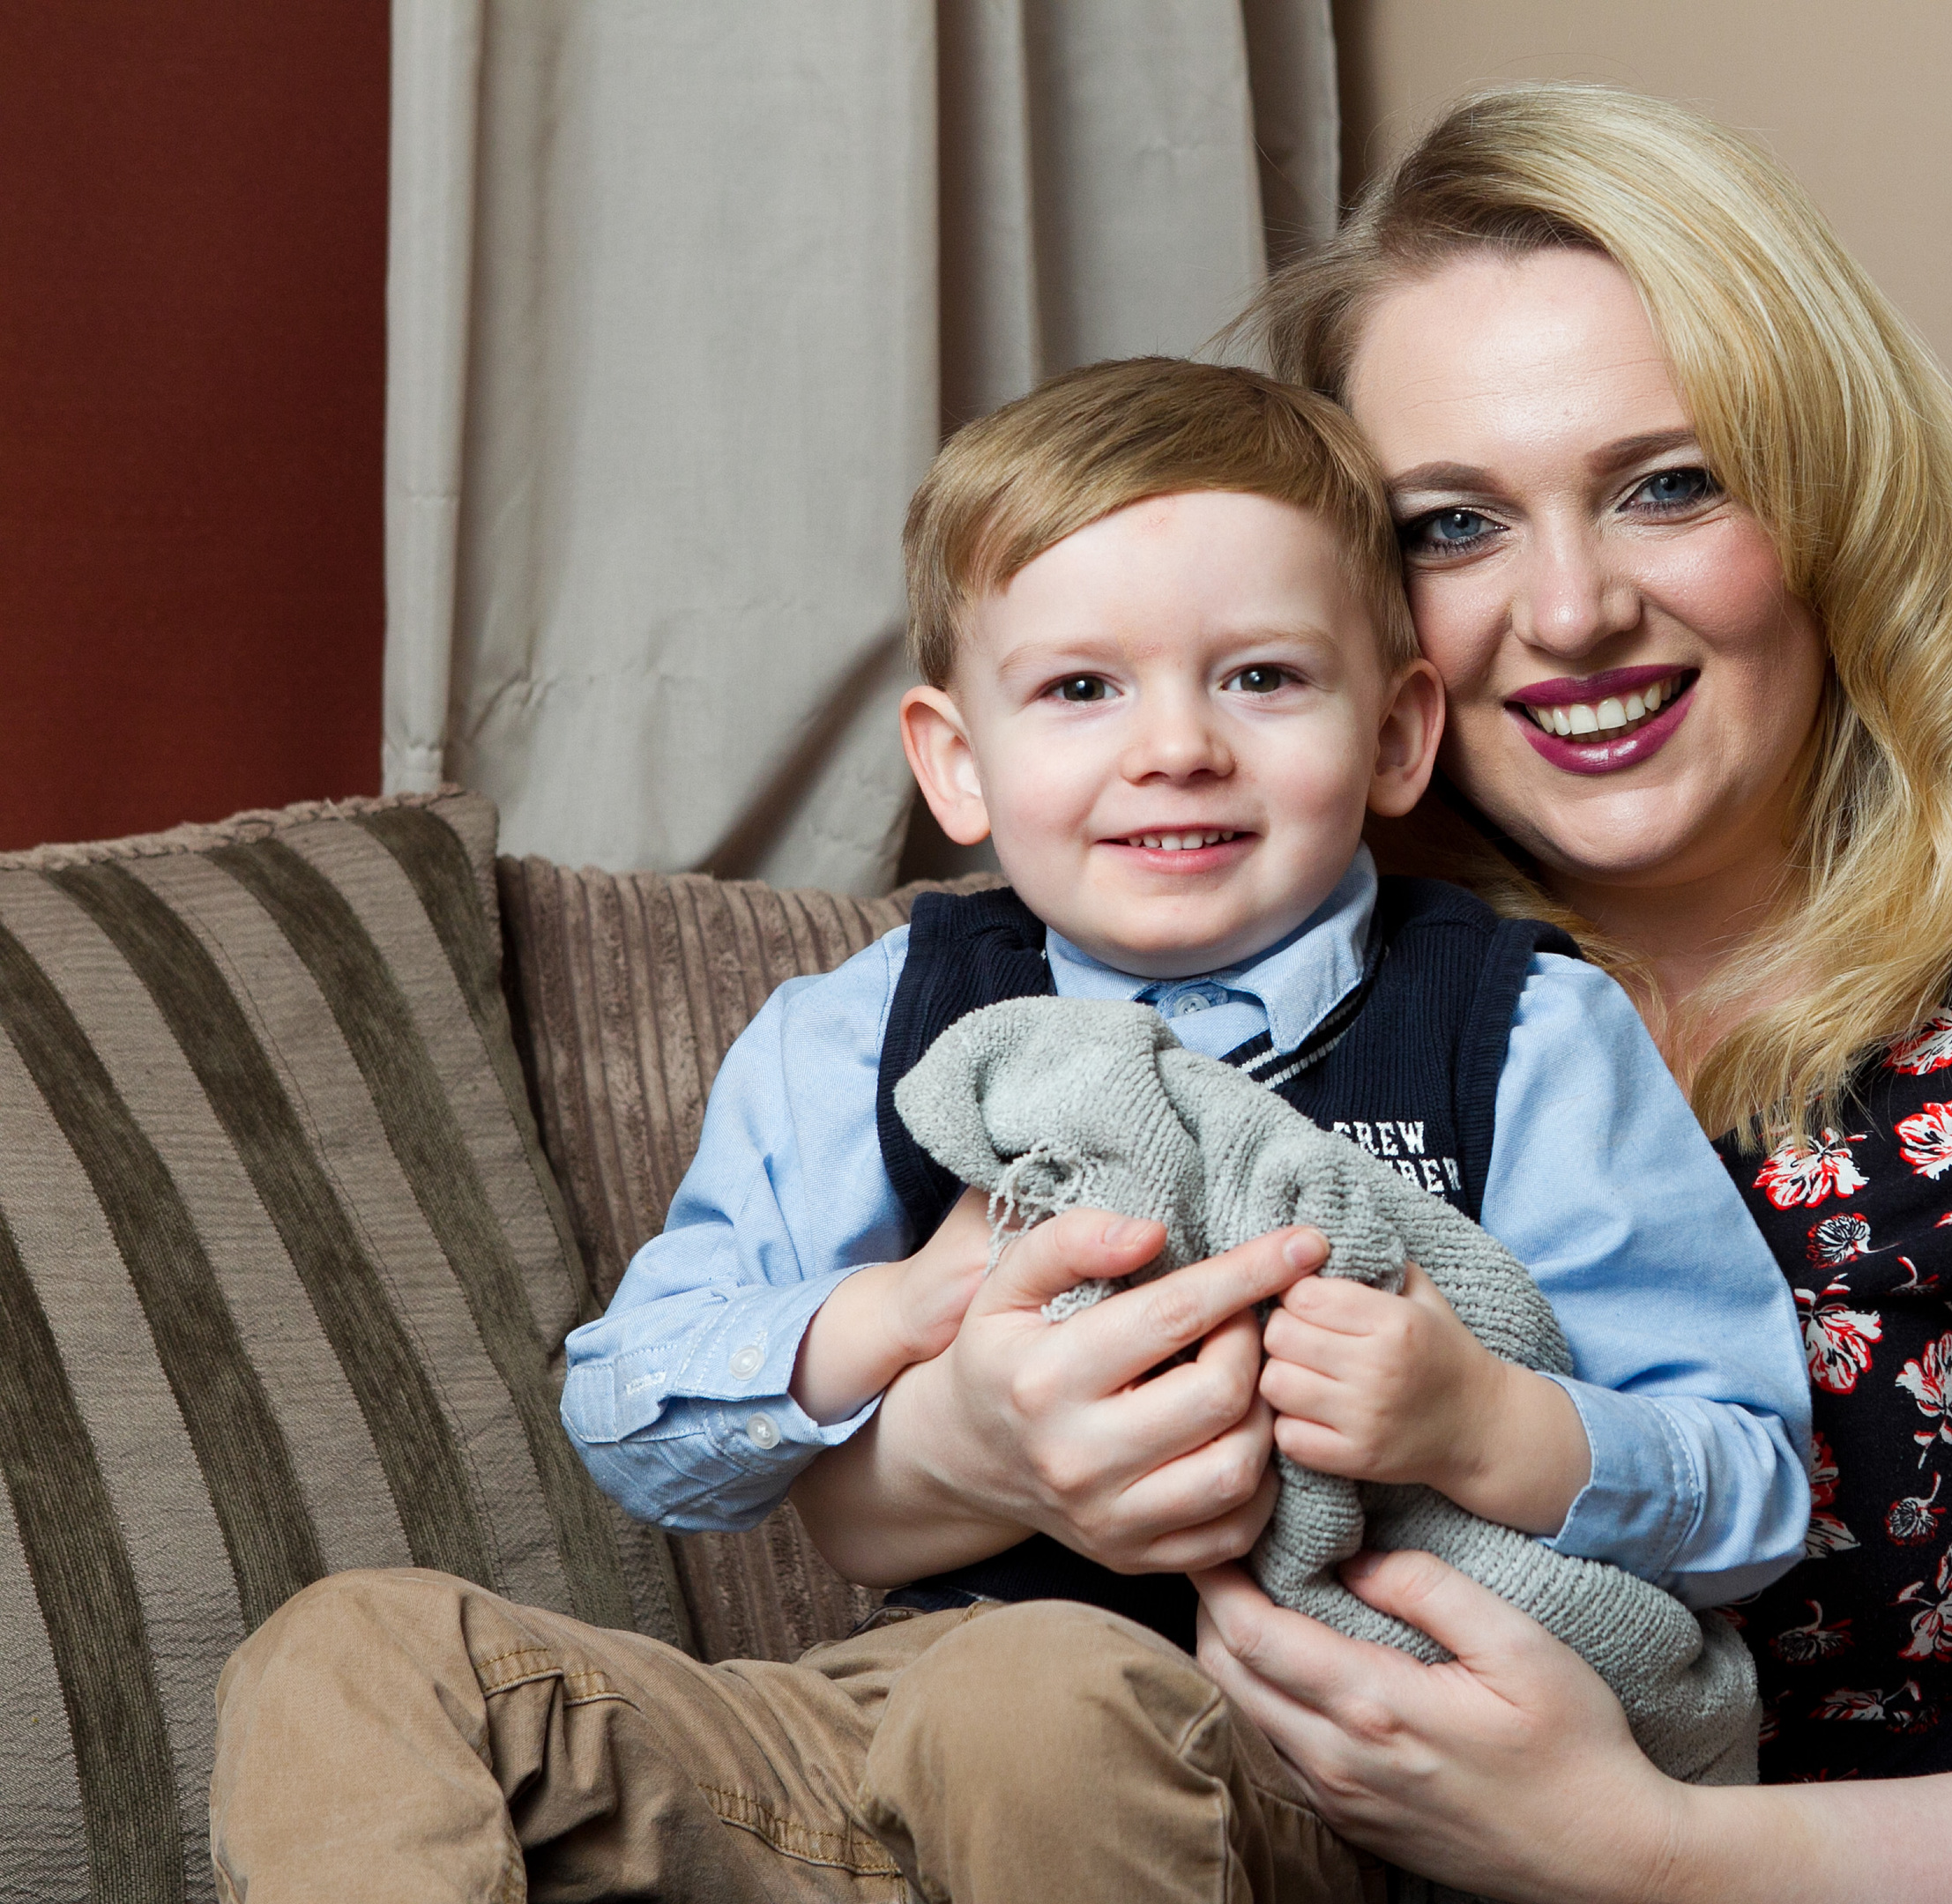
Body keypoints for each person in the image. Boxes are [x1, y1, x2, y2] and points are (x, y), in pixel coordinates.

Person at [208, 353, 1807, 1901]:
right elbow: (631, 1408)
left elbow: (1756, 1481)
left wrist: (1481, 1425)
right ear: (958, 763)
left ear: (1395, 735)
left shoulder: (1518, 1025)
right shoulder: (862, 1030)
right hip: (888, 1731)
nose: (1175, 743)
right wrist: (890, 1314)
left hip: (1306, 1769)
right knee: (353, 1659)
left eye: (1261, 677)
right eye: (1079, 688)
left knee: (1041, 1697)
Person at [1176, 85, 1952, 1903]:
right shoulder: (1281, 958)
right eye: (1451, 526)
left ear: (1827, 502)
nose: (1569, 612)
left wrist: (1629, 1846)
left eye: (1670, 484)